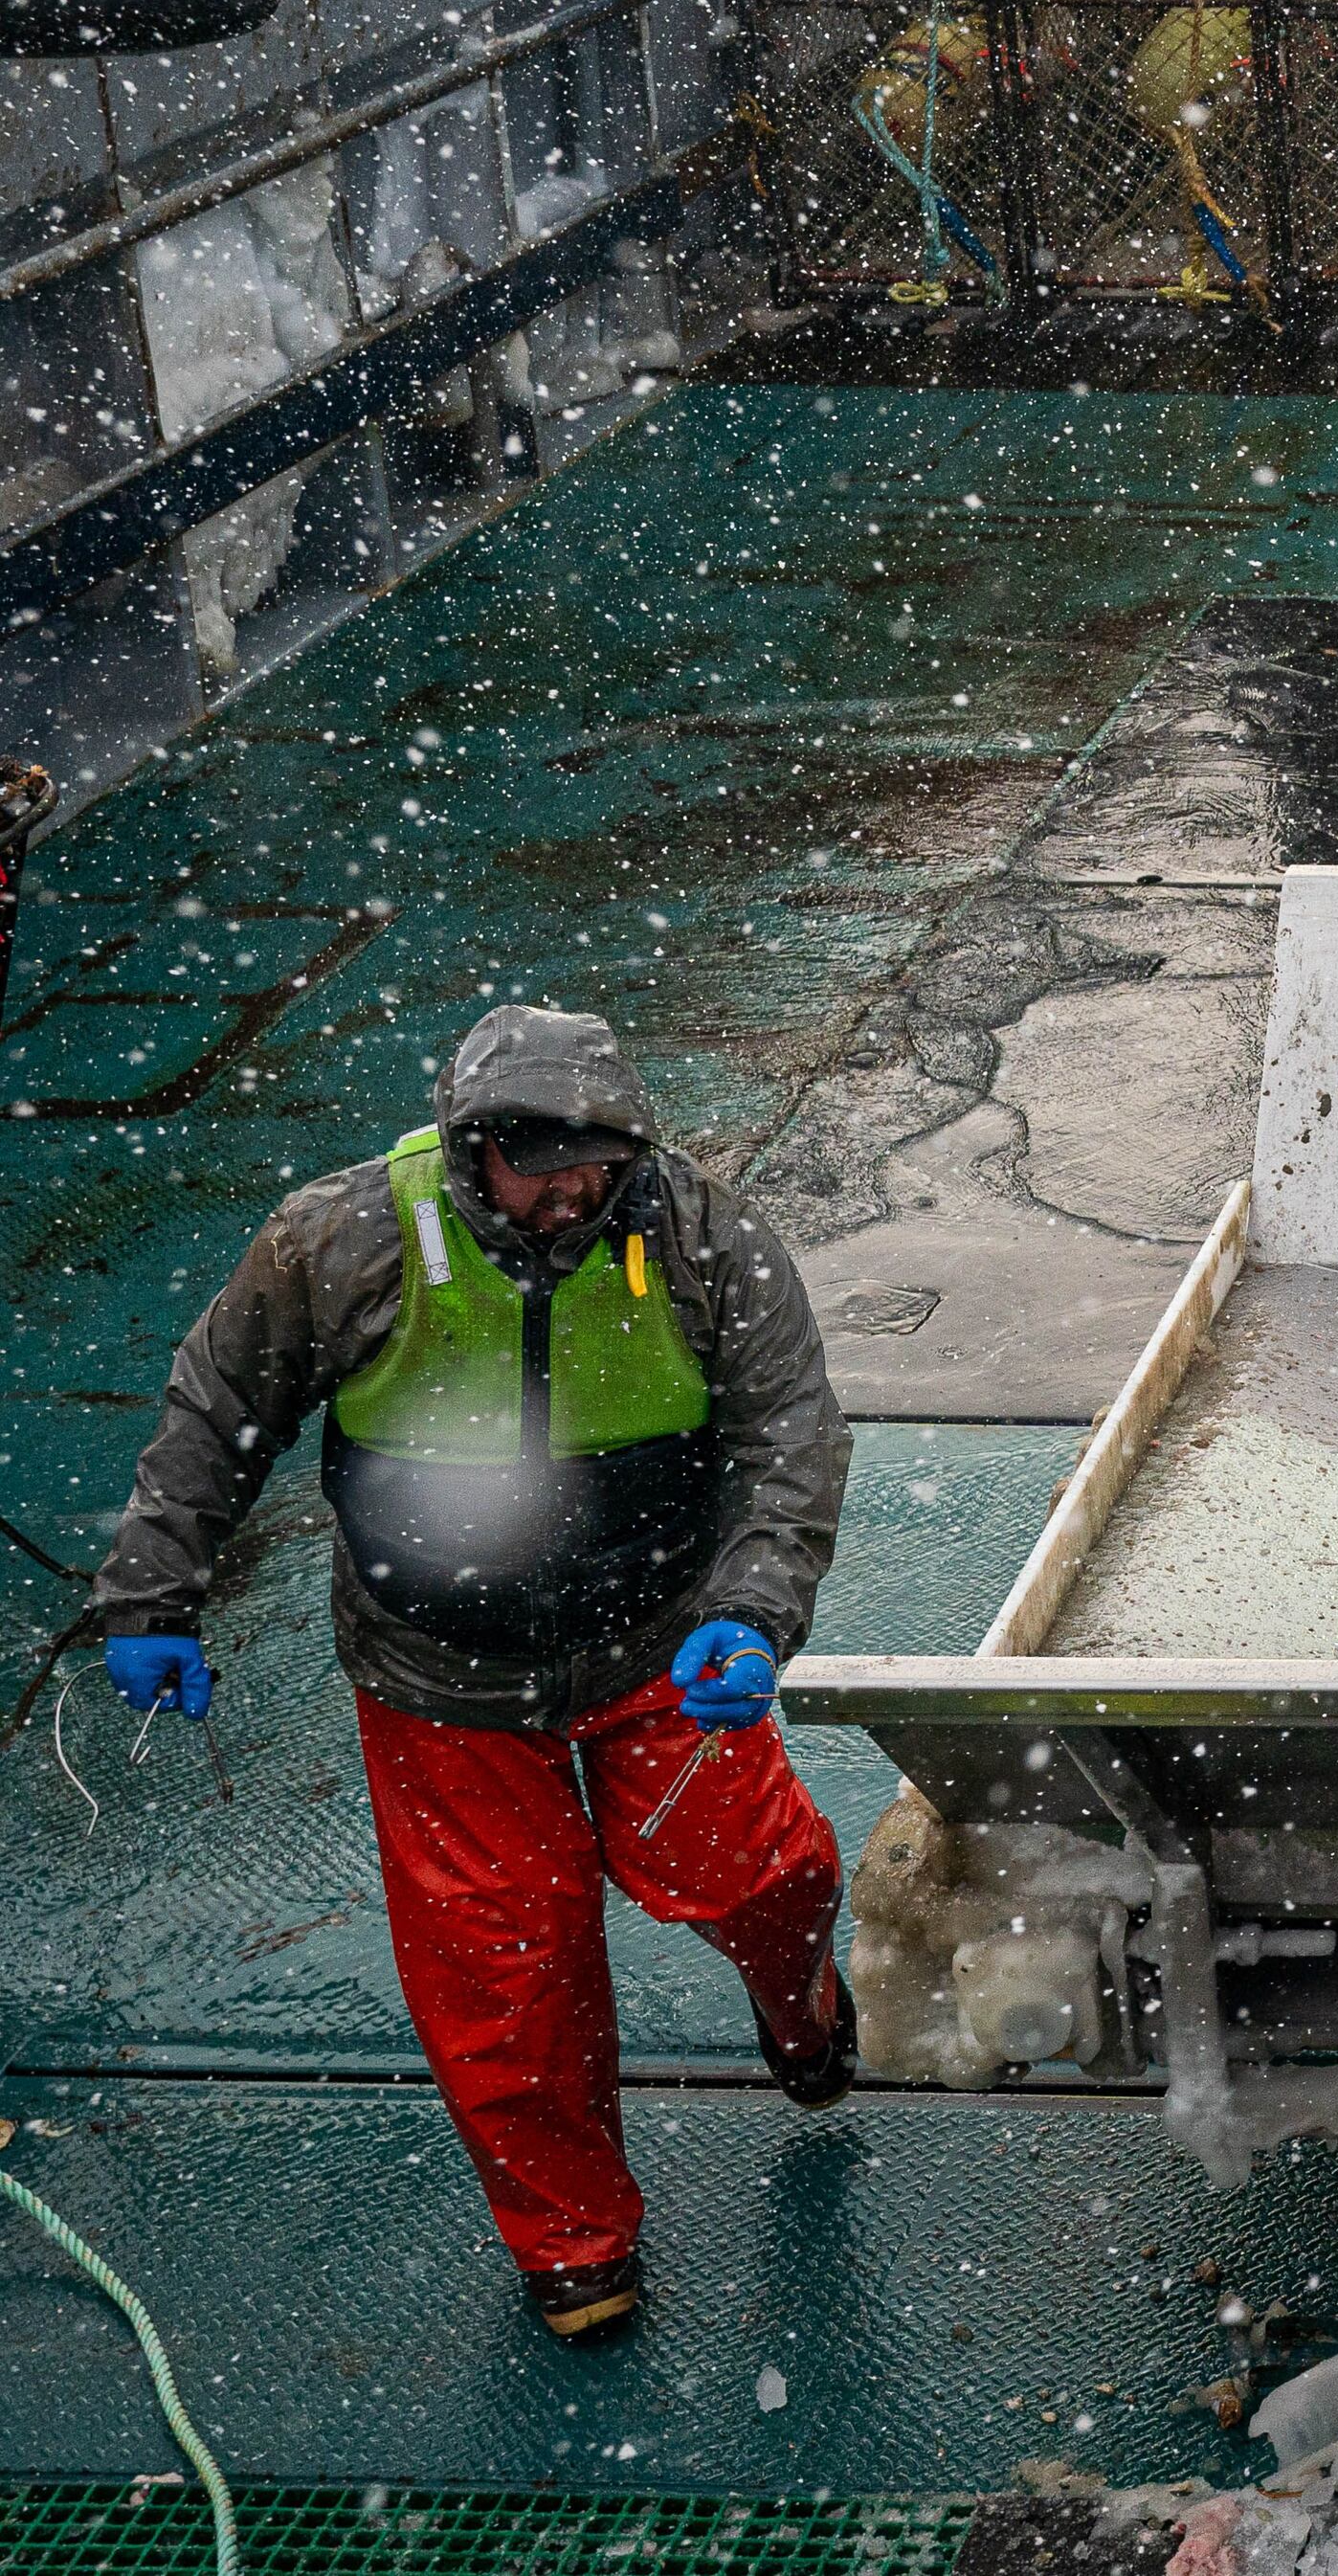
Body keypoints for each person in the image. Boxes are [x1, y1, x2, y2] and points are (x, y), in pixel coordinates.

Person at [91, 1004, 853, 2350]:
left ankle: (799, 1999)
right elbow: (220, 1407)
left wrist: (753, 1609)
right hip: (437, 1669)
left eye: (598, 1164)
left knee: (759, 1868)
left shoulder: (693, 1233)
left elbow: (789, 1424)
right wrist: (155, 1593)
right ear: (472, 1150)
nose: (572, 1192)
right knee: (506, 1972)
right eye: (541, 1163)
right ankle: (575, 2241)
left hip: (658, 1639)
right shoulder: (336, 1239)